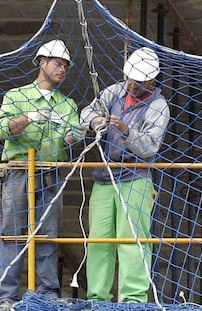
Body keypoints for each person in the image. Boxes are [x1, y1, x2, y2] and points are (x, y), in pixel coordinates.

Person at [0, 39, 86, 311]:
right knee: (13, 235)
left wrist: (77, 133)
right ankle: (6, 297)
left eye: (66, 66)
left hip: (49, 174)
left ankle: (46, 295)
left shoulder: (67, 104)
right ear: (41, 63)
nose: (62, 70)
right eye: (58, 63)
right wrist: (27, 118)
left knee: (46, 236)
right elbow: (2, 128)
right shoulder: (16, 96)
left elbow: (68, 137)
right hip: (19, 172)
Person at [80, 47, 170, 303]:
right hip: (105, 177)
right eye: (130, 78)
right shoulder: (114, 92)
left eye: (138, 81)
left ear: (151, 80)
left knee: (133, 240)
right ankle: (97, 298)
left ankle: (133, 300)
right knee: (98, 240)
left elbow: (150, 147)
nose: (132, 85)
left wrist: (126, 130)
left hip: (136, 178)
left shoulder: (158, 106)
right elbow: (87, 111)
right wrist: (96, 121)